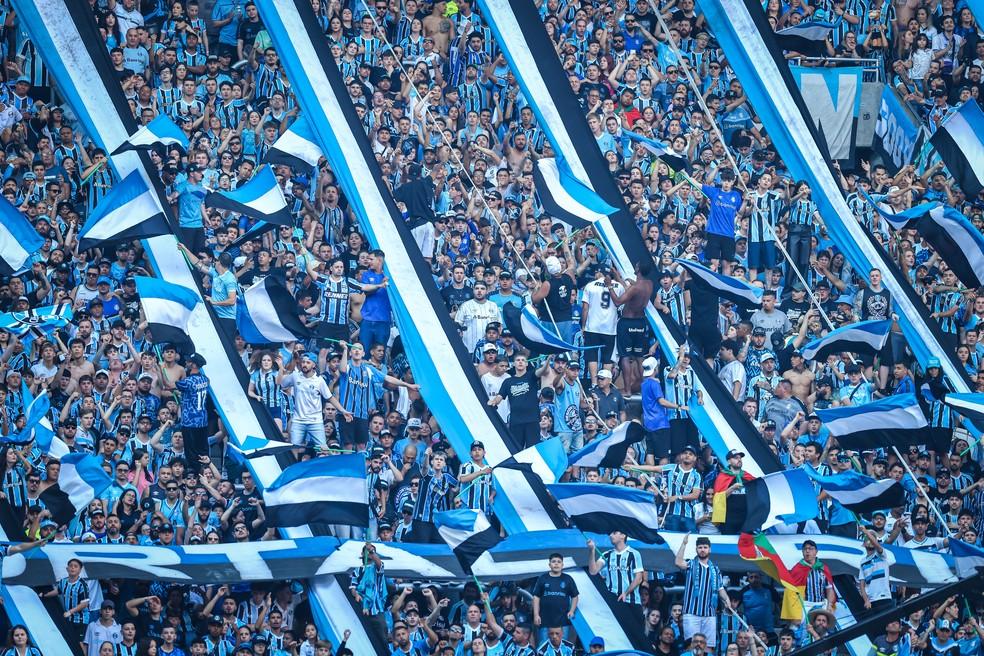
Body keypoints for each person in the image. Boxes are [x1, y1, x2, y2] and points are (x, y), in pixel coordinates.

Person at [280, 351, 353, 452]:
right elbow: (282, 384)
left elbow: (330, 397)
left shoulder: (319, 380)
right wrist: (287, 367)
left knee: (323, 450)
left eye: (308, 362)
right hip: (298, 421)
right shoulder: (295, 376)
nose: (304, 364)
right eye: (303, 362)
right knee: (294, 449)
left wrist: (343, 411)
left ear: (314, 365)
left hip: (315, 422)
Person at [675, 535, 730, 650]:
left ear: (710, 549)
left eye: (705, 547)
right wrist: (684, 544)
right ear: (696, 549)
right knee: (692, 645)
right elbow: (678, 562)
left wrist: (727, 600)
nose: (702, 550)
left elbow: (720, 589)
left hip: (709, 614)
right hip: (691, 613)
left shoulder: (715, 569)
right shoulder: (691, 563)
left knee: (709, 647)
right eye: (700, 547)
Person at [531, 553, 579, 644]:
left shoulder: (568, 579)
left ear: (562, 565)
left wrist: (572, 611)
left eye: (559, 562)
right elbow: (536, 597)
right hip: (544, 620)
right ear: (549, 564)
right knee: (544, 646)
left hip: (563, 621)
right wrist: (536, 615)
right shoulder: (543, 578)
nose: (556, 564)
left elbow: (575, 596)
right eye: (553, 561)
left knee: (562, 646)